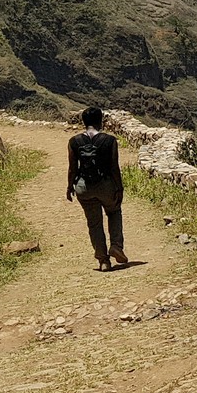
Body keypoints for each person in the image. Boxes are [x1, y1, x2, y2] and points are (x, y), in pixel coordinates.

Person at [67, 107, 127, 271]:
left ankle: (103, 261)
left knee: (94, 223)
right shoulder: (109, 140)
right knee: (114, 211)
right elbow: (114, 167)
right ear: (101, 121)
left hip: (83, 187)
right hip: (105, 185)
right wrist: (119, 188)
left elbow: (72, 168)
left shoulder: (74, 141)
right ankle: (116, 246)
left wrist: (69, 187)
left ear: (83, 122)